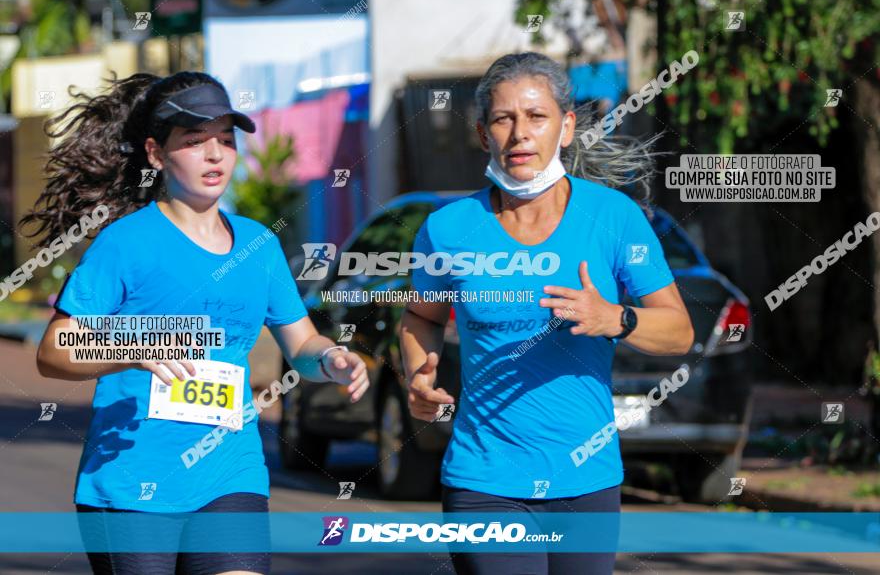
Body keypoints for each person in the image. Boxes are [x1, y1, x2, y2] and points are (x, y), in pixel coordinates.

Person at [27, 71, 370, 575]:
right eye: (194, 141)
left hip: (230, 473)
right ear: (156, 153)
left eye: (226, 141)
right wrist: (132, 352)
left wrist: (332, 359)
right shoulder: (126, 243)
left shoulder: (260, 245)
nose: (215, 155)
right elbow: (54, 351)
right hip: (133, 481)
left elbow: (301, 342)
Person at [400, 52, 694, 575]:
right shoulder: (447, 229)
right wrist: (419, 373)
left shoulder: (613, 218)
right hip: (485, 477)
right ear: (481, 132)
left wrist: (617, 319)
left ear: (566, 126)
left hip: (587, 478)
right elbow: (420, 316)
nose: (519, 134)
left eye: (536, 116)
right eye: (502, 118)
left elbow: (678, 332)